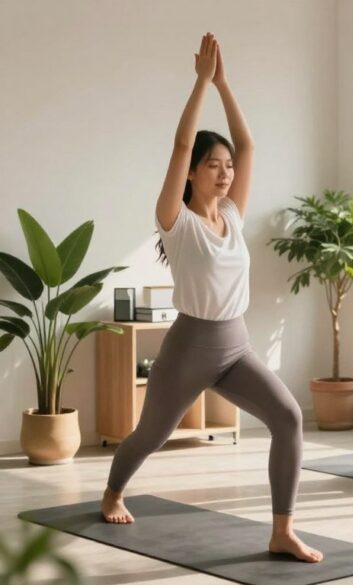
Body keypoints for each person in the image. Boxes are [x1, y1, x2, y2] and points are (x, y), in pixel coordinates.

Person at [100, 34, 323, 563]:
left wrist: (225, 83)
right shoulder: (176, 223)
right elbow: (179, 145)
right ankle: (112, 492)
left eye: (227, 166)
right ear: (193, 172)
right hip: (190, 347)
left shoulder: (234, 216)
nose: (225, 172)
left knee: (289, 417)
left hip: (236, 344)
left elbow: (249, 147)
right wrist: (200, 81)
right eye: (213, 165)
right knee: (149, 436)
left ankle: (281, 530)